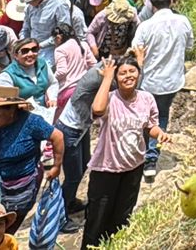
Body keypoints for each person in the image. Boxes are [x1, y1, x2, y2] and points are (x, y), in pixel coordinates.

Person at [82, 55, 171, 249]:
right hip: (106, 169)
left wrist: (160, 134)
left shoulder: (146, 98)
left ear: (139, 73)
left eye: (132, 71)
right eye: (122, 73)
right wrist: (106, 78)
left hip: (133, 167)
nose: (128, 76)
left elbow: (150, 126)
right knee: (97, 220)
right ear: (116, 77)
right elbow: (97, 110)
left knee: (122, 217)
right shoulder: (110, 99)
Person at [0, 85, 62, 229]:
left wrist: (57, 166)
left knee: (10, 225)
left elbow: (58, 137)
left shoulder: (31, 123)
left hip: (22, 188)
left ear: (12, 111)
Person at [131, 0, 192, 182]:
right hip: (172, 81)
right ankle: (151, 159)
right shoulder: (183, 22)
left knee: (143, 116)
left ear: (152, 6)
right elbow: (189, 45)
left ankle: (138, 155)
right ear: (171, 2)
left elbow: (136, 51)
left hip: (149, 81)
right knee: (161, 116)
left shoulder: (145, 26)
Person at [52, 59, 104, 234]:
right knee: (73, 177)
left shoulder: (100, 71)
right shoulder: (99, 77)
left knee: (83, 165)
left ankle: (70, 201)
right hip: (70, 130)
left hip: (80, 128)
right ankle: (60, 216)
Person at [0, 37, 52, 108]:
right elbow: (1, 101)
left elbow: (52, 83)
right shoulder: (7, 75)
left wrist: (52, 98)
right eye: (25, 51)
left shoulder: (42, 64)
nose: (30, 54)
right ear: (16, 55)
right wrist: (20, 106)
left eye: (34, 50)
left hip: (45, 111)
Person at [50, 22, 93, 116]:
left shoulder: (60, 49)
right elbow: (93, 64)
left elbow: (62, 71)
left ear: (58, 37)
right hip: (83, 87)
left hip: (67, 89)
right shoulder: (83, 45)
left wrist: (50, 80)